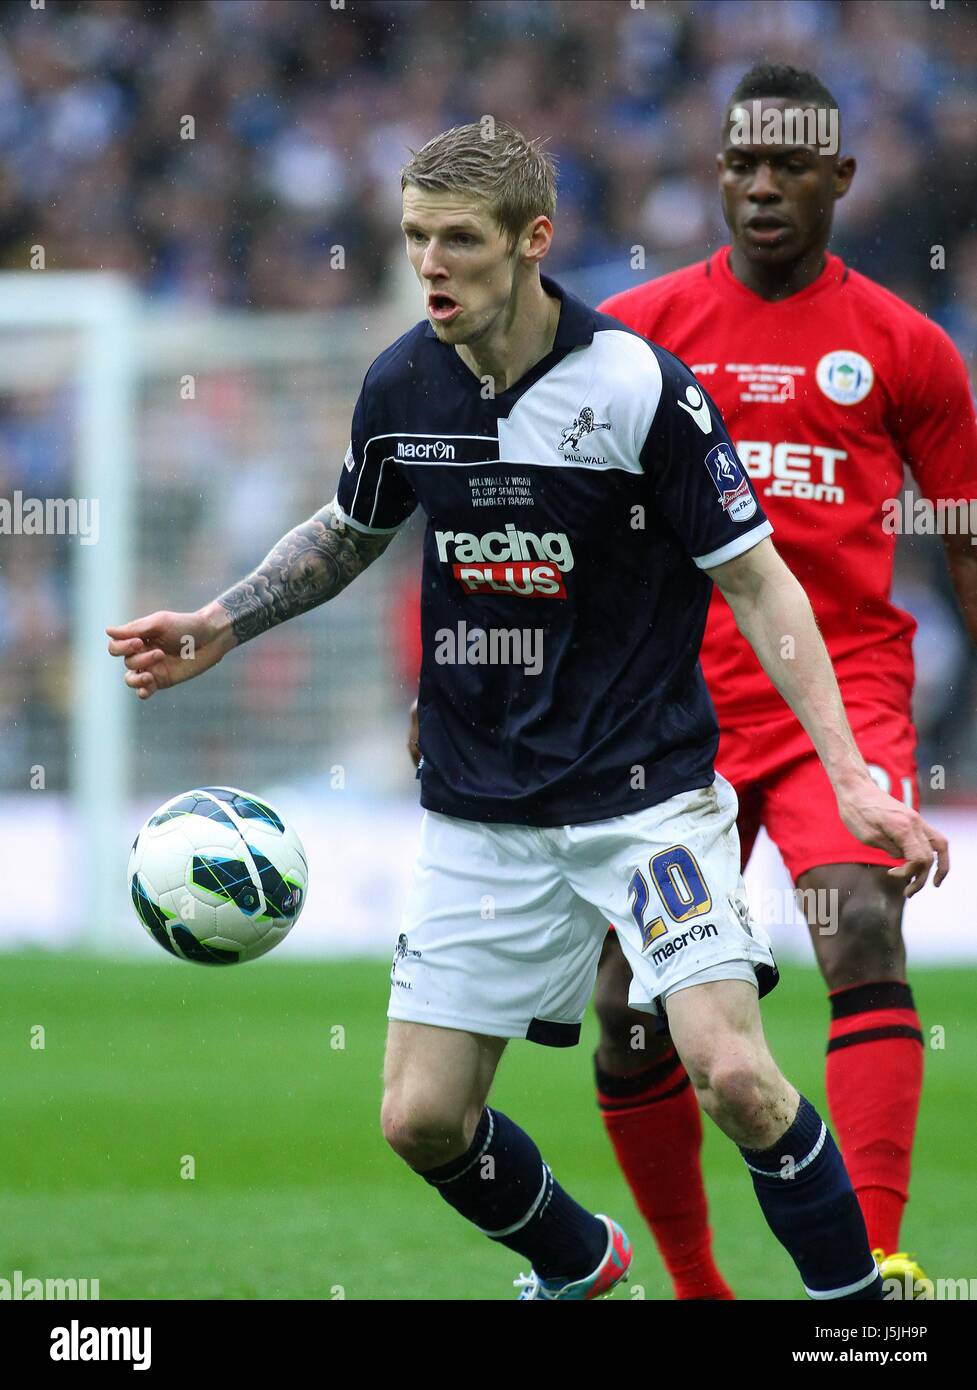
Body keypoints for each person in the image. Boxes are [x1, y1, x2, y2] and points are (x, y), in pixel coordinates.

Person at [108, 121, 948, 1301]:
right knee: (420, 1120)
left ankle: (856, 1320)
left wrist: (852, 773)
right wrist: (221, 621)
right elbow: (351, 532)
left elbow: (757, 580)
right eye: (414, 240)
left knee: (737, 1079)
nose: (431, 265)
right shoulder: (403, 381)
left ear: (531, 242)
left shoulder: (637, 387)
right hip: (480, 815)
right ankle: (578, 1261)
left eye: (458, 240)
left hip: (644, 799)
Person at [591, 63, 977, 1300]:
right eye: (739, 163)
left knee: (858, 920)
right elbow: (570, 522)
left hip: (841, 691)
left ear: (838, 179)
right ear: (715, 172)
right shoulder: (635, 331)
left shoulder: (906, 350)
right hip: (670, 700)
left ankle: (867, 1268)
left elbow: (963, 536)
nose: (760, 186)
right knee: (627, 1006)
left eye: (788, 165)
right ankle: (698, 1287)